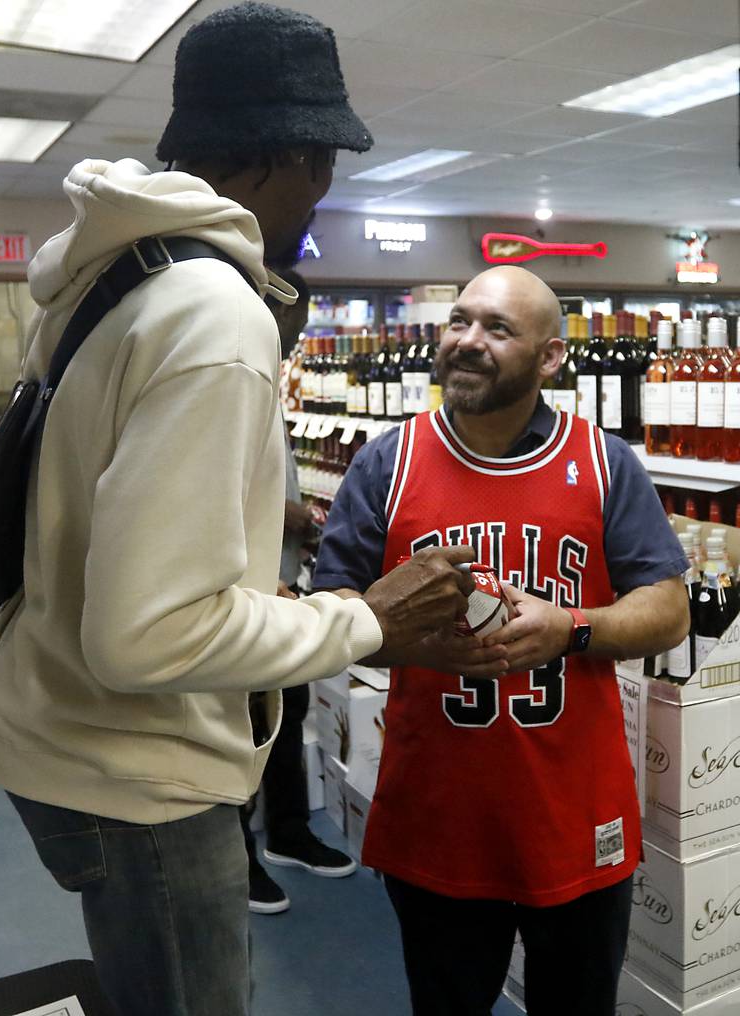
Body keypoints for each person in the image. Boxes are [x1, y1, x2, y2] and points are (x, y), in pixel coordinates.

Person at [0, 6, 480, 1016]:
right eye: (325, 164)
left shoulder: (116, 274)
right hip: (143, 775)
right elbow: (149, 633)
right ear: (292, 152)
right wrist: (369, 618)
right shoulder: (213, 311)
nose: (323, 193)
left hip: (60, 727)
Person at [313, 265, 691, 1016]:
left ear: (551, 356)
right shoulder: (387, 462)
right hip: (439, 815)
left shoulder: (604, 463)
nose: (468, 341)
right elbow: (329, 610)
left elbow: (671, 607)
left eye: (497, 329)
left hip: (577, 814)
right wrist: (413, 645)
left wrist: (572, 627)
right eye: (459, 321)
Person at [242, 269, 356, 915]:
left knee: (288, 713)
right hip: (242, 597)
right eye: (295, 317)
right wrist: (280, 517)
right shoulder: (227, 371)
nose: (299, 333)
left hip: (282, 589)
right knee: (243, 725)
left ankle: (289, 832)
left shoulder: (263, 376)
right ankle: (241, 859)